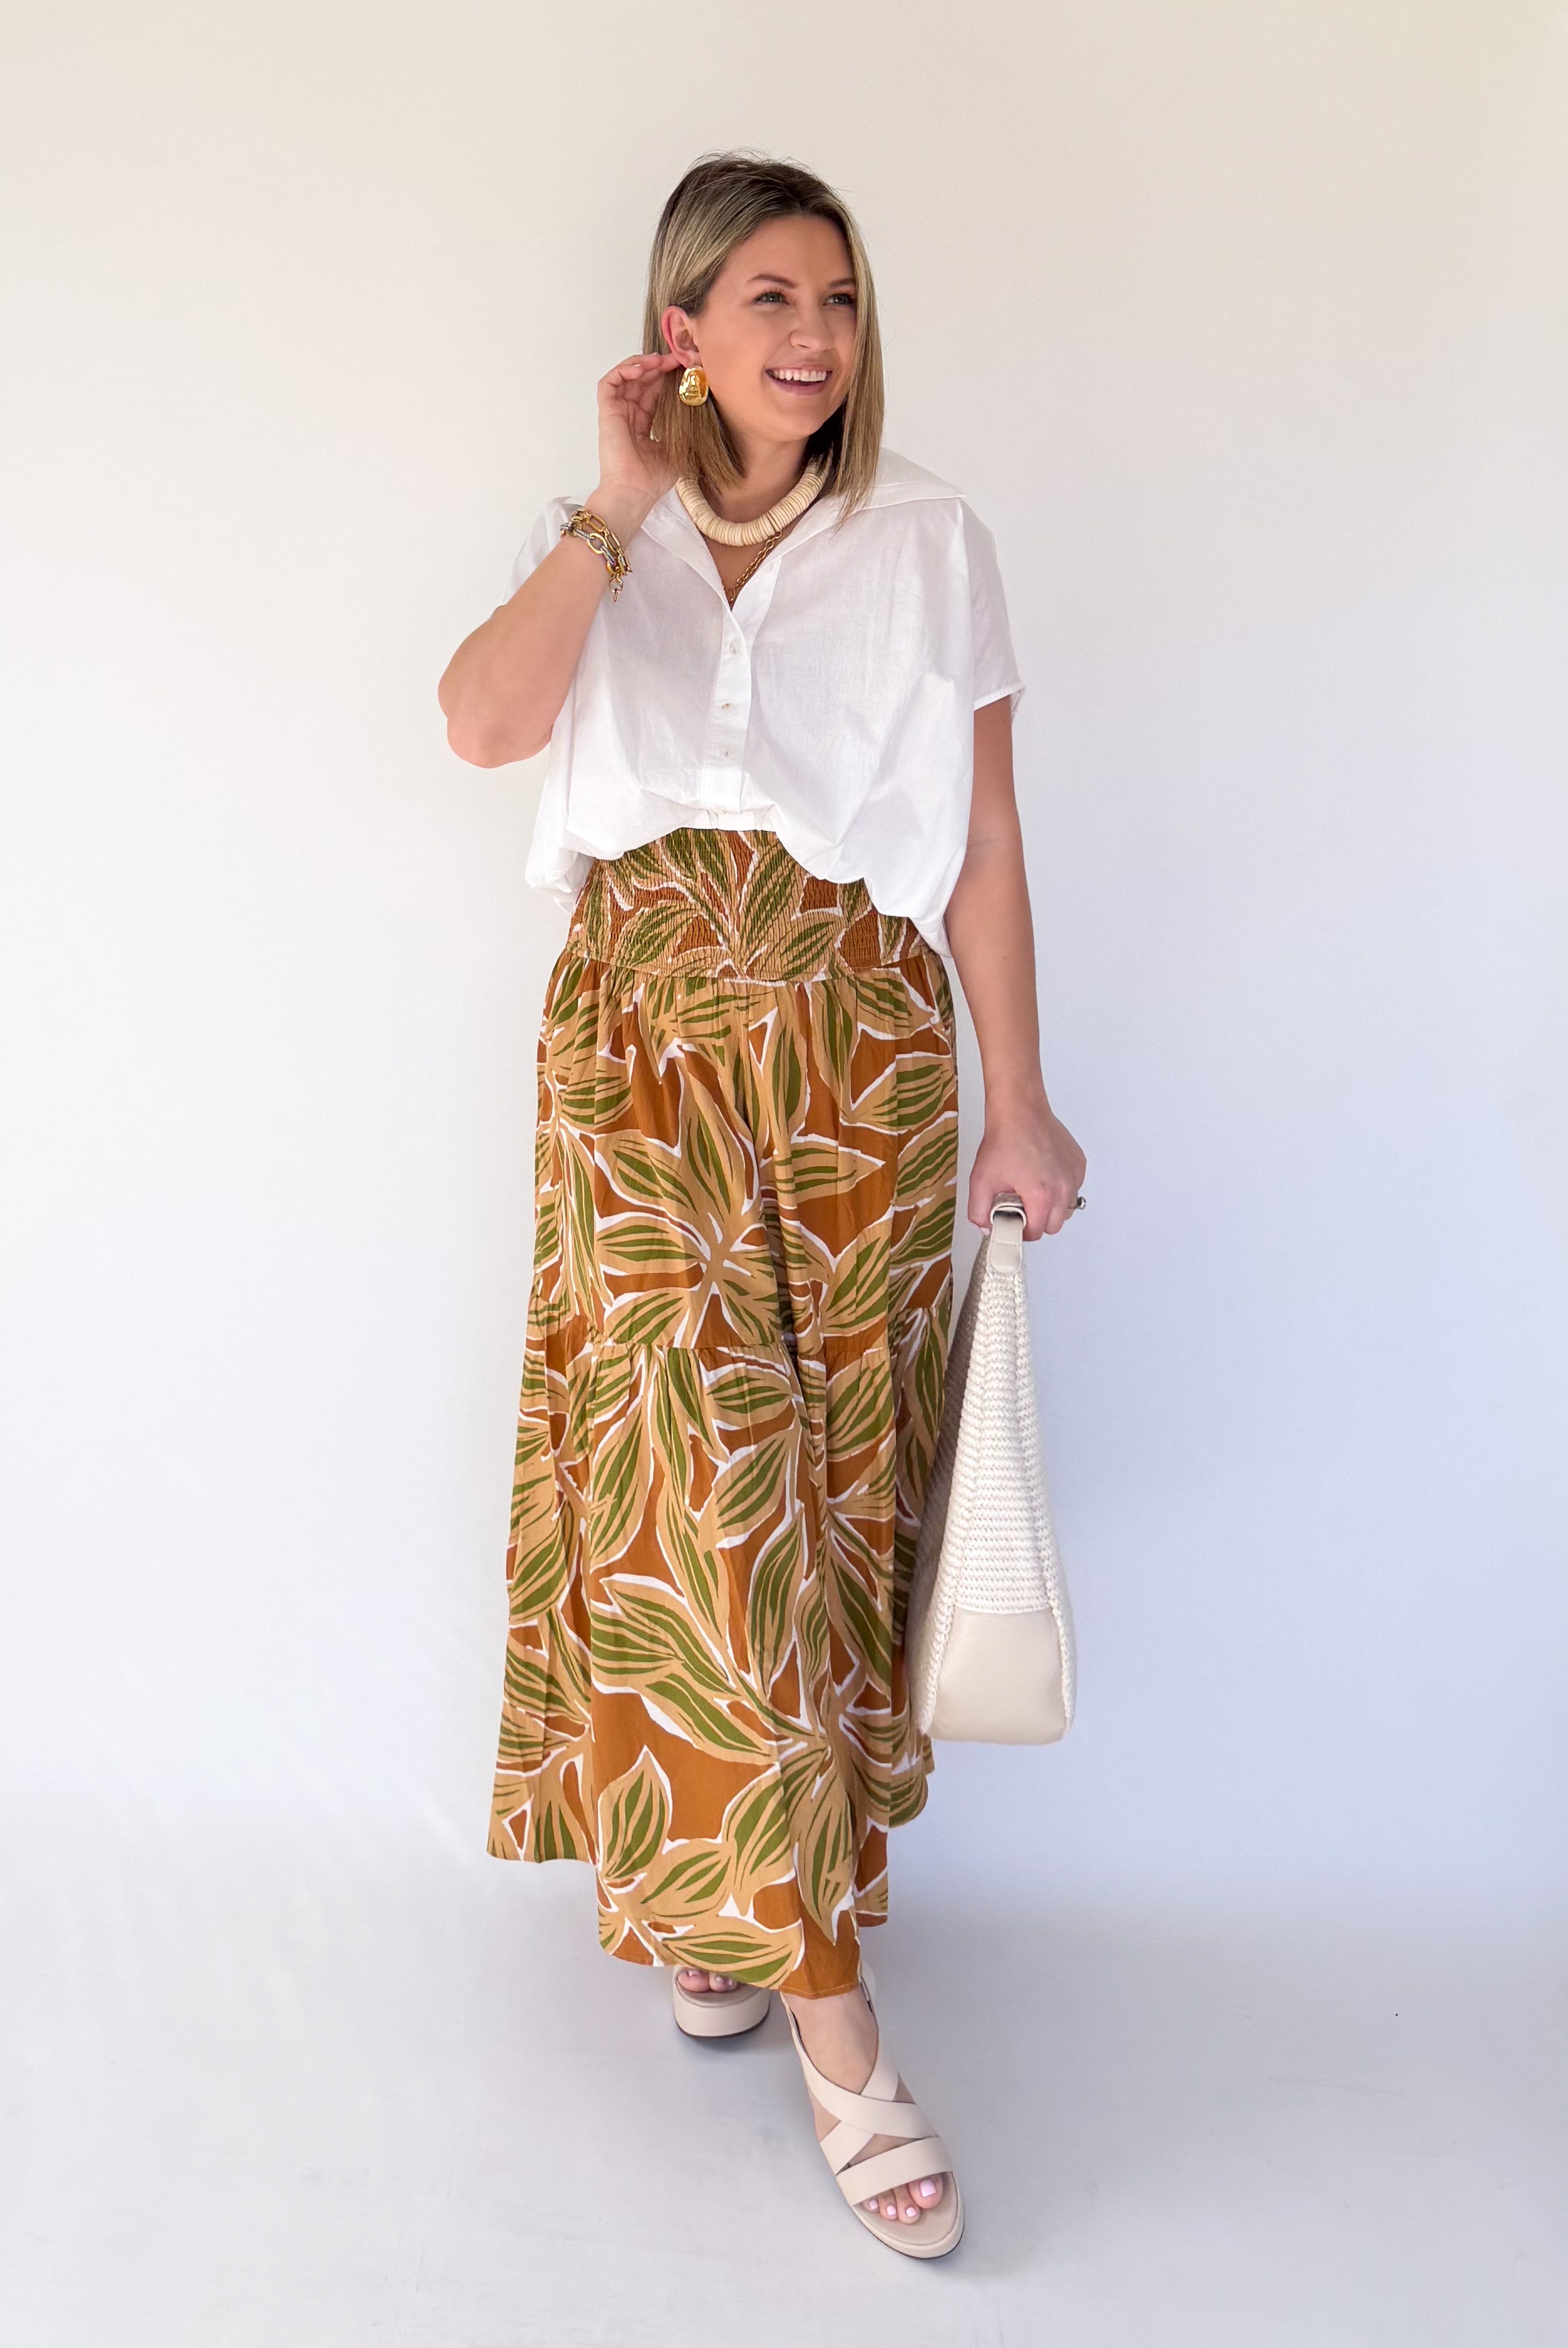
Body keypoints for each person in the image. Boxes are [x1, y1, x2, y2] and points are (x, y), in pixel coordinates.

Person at [438, 151, 1085, 2259]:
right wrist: (612, 507)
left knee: (817, 1507)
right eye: (771, 298)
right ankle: (835, 2021)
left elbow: (985, 836)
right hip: (640, 1042)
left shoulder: (933, 539)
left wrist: (1022, 1096)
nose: (816, 335)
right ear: (684, 329)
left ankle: (731, 1893)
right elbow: (482, 726)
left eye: (841, 297)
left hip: (854, 1053)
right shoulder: (598, 539)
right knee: (694, 1497)